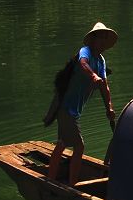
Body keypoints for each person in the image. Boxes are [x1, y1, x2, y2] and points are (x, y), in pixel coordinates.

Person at [48, 22, 118, 186]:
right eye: (99, 38)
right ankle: (72, 185)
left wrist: (109, 107)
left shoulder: (101, 61)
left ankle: (50, 179)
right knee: (79, 146)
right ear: (93, 40)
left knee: (62, 144)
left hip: (73, 110)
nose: (102, 42)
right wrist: (93, 76)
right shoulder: (85, 52)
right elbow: (83, 64)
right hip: (64, 107)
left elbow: (104, 87)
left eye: (104, 39)